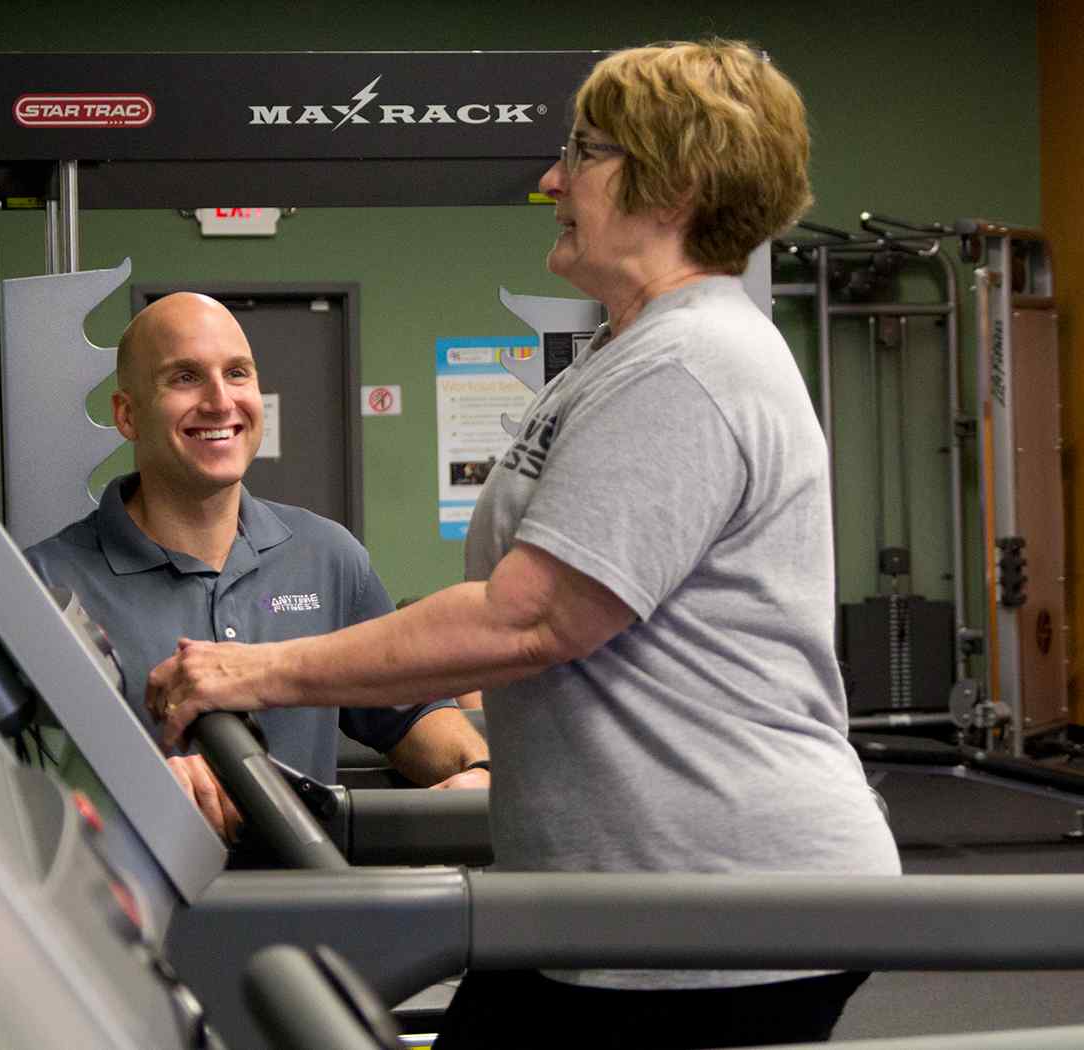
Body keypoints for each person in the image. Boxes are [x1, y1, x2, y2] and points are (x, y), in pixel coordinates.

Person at [146, 40, 900, 1049]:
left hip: (711, 905)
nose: (551, 178)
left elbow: (533, 615)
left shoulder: (688, 365)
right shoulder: (631, 353)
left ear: (670, 182)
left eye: (581, 152)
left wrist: (255, 671)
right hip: (610, 901)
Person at [25, 292, 489, 842]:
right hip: (131, 917)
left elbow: (408, 713)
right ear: (127, 415)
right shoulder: (46, 582)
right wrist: (139, 790)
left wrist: (475, 770)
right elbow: (26, 790)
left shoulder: (329, 557)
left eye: (237, 373)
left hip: (301, 911)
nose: (220, 401)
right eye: (185, 378)